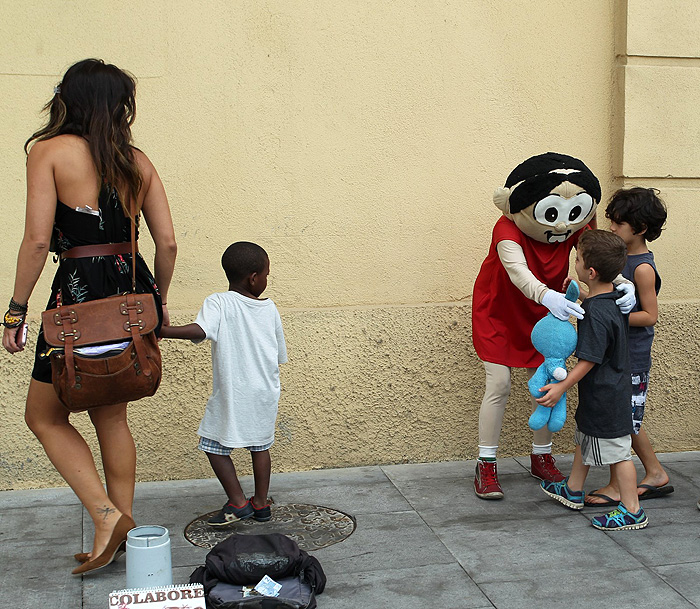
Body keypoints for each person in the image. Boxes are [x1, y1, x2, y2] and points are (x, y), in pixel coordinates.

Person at [2, 59, 177, 574]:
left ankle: (105, 516)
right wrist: (159, 300)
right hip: (130, 295)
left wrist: (15, 311)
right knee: (111, 413)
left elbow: (37, 241)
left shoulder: (49, 152)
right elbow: (166, 241)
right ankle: (122, 526)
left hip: (76, 299)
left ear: (69, 99)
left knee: (44, 415)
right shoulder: (137, 161)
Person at [471, 152, 636, 500]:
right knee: (499, 384)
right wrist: (547, 297)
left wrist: (623, 283)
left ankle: (540, 455)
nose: (563, 226)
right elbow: (517, 272)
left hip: (547, 314)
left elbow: (598, 260)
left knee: (548, 378)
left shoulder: (580, 226)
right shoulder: (507, 226)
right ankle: (486, 463)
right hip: (501, 310)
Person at [160, 241, 287, 525]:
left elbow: (200, 330)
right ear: (254, 278)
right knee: (260, 446)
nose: (267, 279)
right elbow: (279, 354)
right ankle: (260, 504)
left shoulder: (218, 302)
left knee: (213, 445)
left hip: (234, 392)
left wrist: (164, 330)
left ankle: (238, 501)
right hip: (265, 390)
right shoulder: (270, 308)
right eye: (267, 274)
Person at [538, 230, 648, 530]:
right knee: (584, 438)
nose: (574, 262)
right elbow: (599, 309)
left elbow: (589, 359)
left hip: (605, 396)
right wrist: (583, 295)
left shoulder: (597, 314)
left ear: (591, 271)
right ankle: (573, 489)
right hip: (605, 393)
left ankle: (632, 509)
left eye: (578, 259)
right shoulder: (610, 300)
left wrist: (561, 385)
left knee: (619, 454)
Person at [584, 187, 672, 507]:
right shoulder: (617, 256)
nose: (612, 228)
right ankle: (655, 473)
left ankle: (618, 484)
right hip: (613, 354)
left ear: (640, 228)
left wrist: (612, 316)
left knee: (622, 421)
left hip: (631, 358)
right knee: (624, 418)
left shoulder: (642, 268)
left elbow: (650, 315)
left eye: (618, 224)